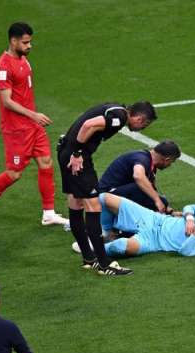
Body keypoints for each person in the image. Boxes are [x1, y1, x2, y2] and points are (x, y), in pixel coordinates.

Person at [0, 22, 68, 232]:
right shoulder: (3, 67)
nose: (29, 46)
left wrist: (33, 118)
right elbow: (7, 101)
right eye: (25, 42)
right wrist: (34, 115)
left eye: (30, 41)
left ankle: (48, 213)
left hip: (32, 125)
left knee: (46, 163)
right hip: (16, 129)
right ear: (13, 41)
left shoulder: (23, 59)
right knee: (14, 173)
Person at [58, 101, 157, 275]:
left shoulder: (116, 110)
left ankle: (89, 259)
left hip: (66, 152)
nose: (142, 129)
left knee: (76, 204)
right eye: (144, 124)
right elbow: (88, 125)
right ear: (140, 118)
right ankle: (104, 264)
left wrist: (72, 151)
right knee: (93, 206)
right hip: (77, 159)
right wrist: (77, 153)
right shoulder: (119, 117)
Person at [77, 193, 195, 257]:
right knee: (104, 198)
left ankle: (94, 249)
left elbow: (185, 251)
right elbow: (190, 207)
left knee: (120, 246)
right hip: (155, 219)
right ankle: (106, 233)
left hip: (154, 241)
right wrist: (190, 219)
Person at [97, 140, 181, 213]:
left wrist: (166, 206)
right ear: (167, 159)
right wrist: (157, 201)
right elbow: (138, 176)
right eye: (171, 162)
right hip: (106, 195)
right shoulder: (142, 159)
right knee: (140, 189)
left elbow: (151, 188)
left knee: (160, 199)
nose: (170, 165)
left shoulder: (150, 163)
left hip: (116, 192)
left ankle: (163, 213)